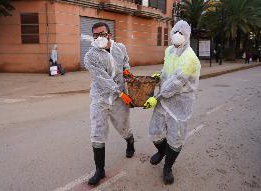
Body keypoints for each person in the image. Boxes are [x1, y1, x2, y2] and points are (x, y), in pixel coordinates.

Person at [144, 20, 201, 185]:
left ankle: (168, 167)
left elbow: (176, 83)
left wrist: (157, 97)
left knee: (176, 138)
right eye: (176, 31)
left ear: (187, 36)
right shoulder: (169, 51)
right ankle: (162, 152)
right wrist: (159, 75)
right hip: (163, 99)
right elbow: (167, 71)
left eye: (181, 33)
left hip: (179, 103)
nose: (177, 35)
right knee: (155, 132)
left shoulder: (190, 58)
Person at [84, 22, 135, 185]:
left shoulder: (120, 48)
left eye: (102, 33)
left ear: (109, 35)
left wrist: (126, 70)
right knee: (97, 131)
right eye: (96, 35)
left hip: (119, 98)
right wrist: (120, 92)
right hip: (100, 97)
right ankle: (100, 170)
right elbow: (102, 78)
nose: (99, 37)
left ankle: (130, 141)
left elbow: (125, 62)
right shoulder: (90, 56)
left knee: (123, 125)